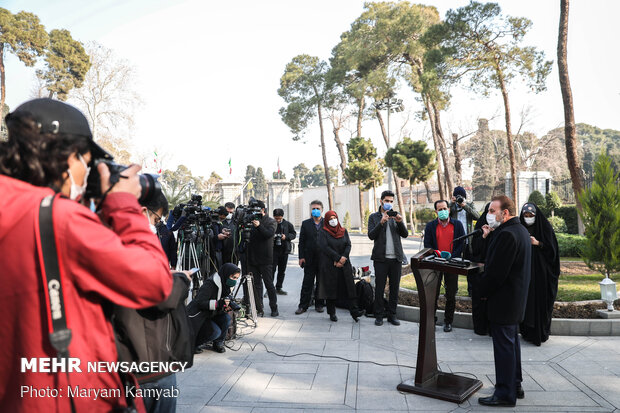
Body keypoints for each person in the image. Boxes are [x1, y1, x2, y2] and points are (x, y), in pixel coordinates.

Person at [0, 98, 173, 413]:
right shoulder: (58, 220)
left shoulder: (17, 210)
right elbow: (154, 282)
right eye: (88, 161)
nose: (88, 172)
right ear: (68, 157)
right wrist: (123, 204)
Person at [113, 192, 192, 413]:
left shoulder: (103, 242)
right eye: (157, 220)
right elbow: (162, 298)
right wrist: (181, 280)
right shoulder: (138, 246)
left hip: (123, 363)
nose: (157, 226)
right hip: (151, 363)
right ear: (142, 211)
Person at [477, 195, 531, 407]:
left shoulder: (508, 234)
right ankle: (514, 385)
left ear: (505, 213)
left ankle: (504, 394)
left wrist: (481, 291)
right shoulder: (520, 231)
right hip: (513, 300)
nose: (489, 215)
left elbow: (496, 273)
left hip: (504, 301)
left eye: (492, 211)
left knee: (504, 348)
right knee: (511, 345)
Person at [519, 203, 560, 346]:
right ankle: (526, 332)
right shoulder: (520, 228)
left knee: (540, 303)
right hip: (526, 275)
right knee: (527, 303)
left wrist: (538, 243)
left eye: (531, 216)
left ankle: (540, 333)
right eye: (526, 216)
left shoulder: (545, 228)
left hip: (542, 276)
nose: (528, 218)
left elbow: (553, 252)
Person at [368, 190, 409, 326]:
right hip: (380, 258)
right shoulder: (374, 217)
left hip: (396, 258)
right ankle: (379, 315)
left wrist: (401, 222)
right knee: (379, 287)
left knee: (394, 288)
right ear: (381, 201)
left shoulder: (396, 216)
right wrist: (381, 222)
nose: (389, 203)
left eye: (391, 201)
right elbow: (371, 235)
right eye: (387, 201)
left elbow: (404, 234)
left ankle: (392, 315)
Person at [423, 199, 465, 332]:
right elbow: (428, 245)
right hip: (436, 264)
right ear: (436, 211)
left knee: (451, 294)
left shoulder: (457, 225)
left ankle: (448, 322)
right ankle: (431, 321)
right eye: (440, 209)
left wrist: (451, 258)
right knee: (433, 294)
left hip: (452, 264)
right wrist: (437, 255)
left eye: (444, 208)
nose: (443, 211)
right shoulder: (430, 226)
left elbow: (462, 243)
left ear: (449, 209)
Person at [317, 211, 365, 322]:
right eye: (330, 218)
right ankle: (332, 313)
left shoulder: (343, 231)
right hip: (330, 264)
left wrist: (343, 257)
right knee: (331, 289)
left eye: (334, 218)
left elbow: (348, 244)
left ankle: (355, 312)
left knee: (350, 288)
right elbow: (324, 247)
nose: (333, 220)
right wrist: (337, 258)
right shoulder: (323, 232)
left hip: (345, 263)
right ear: (327, 220)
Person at [187, 263, 241, 354]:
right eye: (233, 277)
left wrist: (226, 306)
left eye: (236, 278)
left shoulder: (226, 285)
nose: (234, 280)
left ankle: (218, 343)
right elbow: (200, 303)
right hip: (199, 315)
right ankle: (192, 344)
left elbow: (224, 300)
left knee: (226, 318)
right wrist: (218, 304)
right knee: (215, 332)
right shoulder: (210, 284)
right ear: (226, 274)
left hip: (212, 313)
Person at [246, 200, 279, 317]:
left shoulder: (271, 221)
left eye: (257, 210)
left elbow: (268, 234)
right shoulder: (250, 220)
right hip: (253, 258)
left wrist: (259, 225)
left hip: (265, 259)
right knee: (256, 285)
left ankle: (274, 308)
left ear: (263, 210)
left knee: (269, 284)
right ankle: (259, 308)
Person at [296, 200, 327, 314]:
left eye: (318, 209)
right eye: (313, 209)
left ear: (322, 210)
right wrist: (301, 257)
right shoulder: (306, 224)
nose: (315, 211)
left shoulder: (327, 223)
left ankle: (319, 304)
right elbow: (301, 242)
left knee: (321, 282)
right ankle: (303, 306)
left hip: (323, 258)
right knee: (307, 283)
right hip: (309, 259)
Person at [449, 186, 480, 294]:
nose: (459, 198)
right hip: (456, 241)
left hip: (468, 241)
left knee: (469, 266)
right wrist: (451, 203)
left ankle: (471, 290)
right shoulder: (452, 207)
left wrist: (465, 205)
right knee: (453, 266)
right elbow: (445, 215)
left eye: (461, 196)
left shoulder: (469, 205)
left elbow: (477, 217)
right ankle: (453, 290)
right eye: (457, 196)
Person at [272, 208, 297, 295]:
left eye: (279, 218)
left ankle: (279, 288)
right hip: (273, 251)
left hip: (284, 250)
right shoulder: (271, 224)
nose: (278, 220)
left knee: (282, 270)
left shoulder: (287, 224)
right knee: (272, 270)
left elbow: (293, 234)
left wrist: (285, 236)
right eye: (276, 218)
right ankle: (270, 289)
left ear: (282, 217)